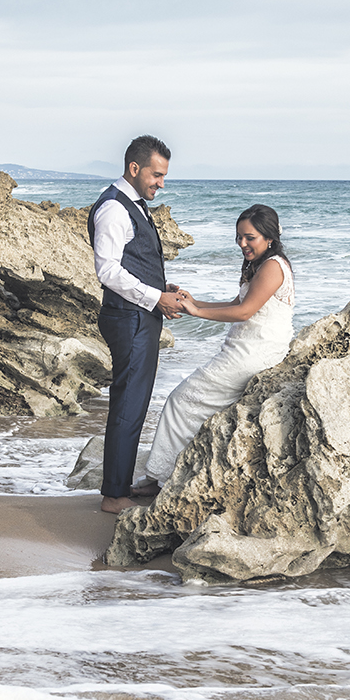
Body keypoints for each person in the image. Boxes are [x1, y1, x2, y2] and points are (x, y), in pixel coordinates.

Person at [136, 203, 294, 493]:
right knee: (185, 404)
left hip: (254, 353)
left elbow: (245, 312)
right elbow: (236, 303)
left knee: (180, 400)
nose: (242, 244)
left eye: (250, 237)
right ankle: (169, 477)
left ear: (269, 237)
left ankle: (161, 480)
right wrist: (192, 304)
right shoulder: (261, 264)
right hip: (244, 348)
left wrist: (196, 312)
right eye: (239, 237)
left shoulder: (273, 267)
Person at [88, 135, 191, 514]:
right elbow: (108, 270)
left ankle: (119, 485)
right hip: (129, 318)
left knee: (133, 402)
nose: (161, 183)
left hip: (136, 313)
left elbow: (130, 263)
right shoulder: (115, 209)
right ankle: (115, 496)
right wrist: (155, 298)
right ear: (135, 168)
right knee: (128, 404)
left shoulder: (133, 204)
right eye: (156, 175)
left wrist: (160, 287)